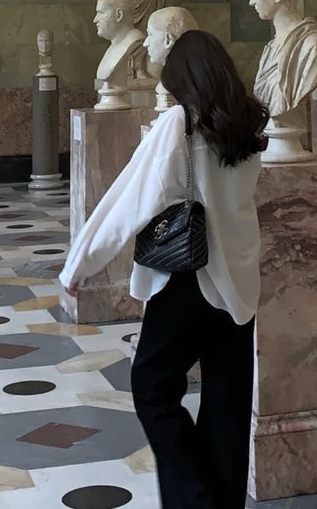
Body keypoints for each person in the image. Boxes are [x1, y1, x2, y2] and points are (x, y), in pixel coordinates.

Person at [59, 30, 268, 509]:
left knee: (151, 386)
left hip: (188, 277)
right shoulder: (246, 120)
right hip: (237, 281)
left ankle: (196, 498)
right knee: (226, 405)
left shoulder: (180, 122)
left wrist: (80, 263)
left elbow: (130, 199)